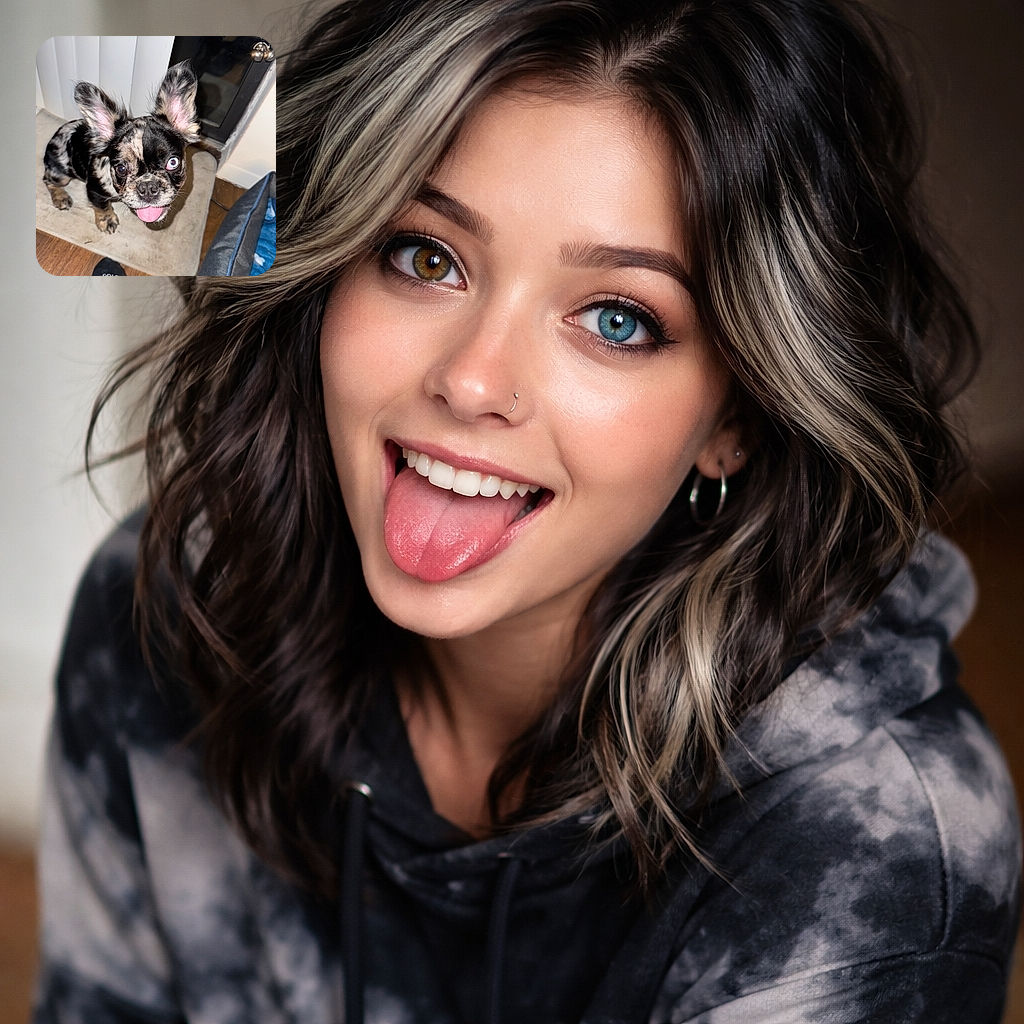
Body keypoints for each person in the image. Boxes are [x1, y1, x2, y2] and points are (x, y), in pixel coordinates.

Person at [33, 0, 1021, 1021]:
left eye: (616, 319)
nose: (472, 380)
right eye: (426, 256)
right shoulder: (167, 605)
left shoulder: (879, 843)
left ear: (743, 418)